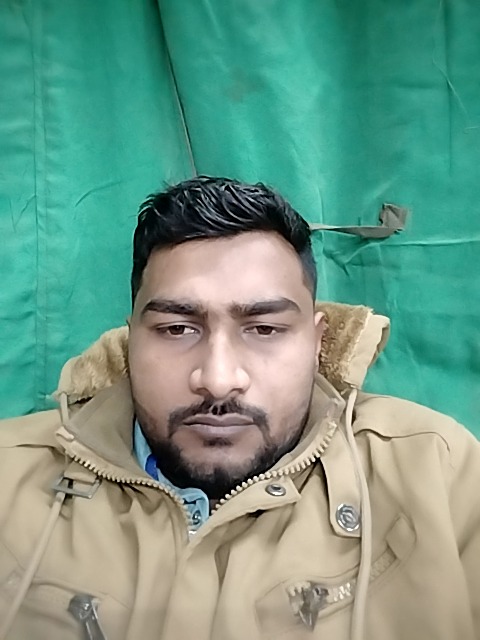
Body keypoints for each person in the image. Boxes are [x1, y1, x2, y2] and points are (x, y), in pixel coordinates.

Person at [0, 176, 479, 640]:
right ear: (131, 341)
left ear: (318, 343)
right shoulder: (9, 478)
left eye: (264, 329)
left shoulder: (437, 472)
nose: (218, 379)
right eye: (177, 329)